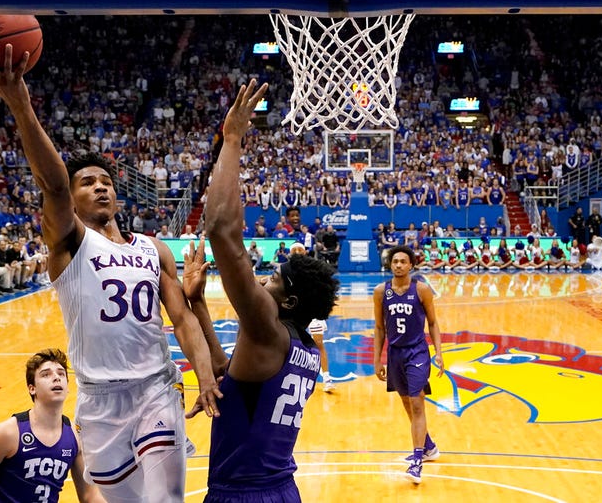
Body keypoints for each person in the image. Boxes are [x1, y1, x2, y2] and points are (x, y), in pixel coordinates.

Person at [0, 45, 220, 502]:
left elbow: (182, 321)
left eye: (105, 182)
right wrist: (20, 104)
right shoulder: (70, 245)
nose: (100, 186)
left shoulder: (154, 249)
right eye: (88, 182)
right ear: (73, 198)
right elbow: (52, 184)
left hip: (156, 387)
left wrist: (204, 377)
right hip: (99, 400)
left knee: (165, 498)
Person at [188, 79, 340, 501]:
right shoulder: (304, 348)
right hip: (282, 489)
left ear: (288, 301)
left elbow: (221, 229)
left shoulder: (267, 329)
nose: (261, 280)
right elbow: (229, 371)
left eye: (273, 279)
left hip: (242, 493)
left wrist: (232, 139)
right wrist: (198, 303)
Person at [0, 349, 105, 503]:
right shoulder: (7, 434)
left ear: (68, 386)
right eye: (46, 374)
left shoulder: (75, 437)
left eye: (61, 374)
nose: (56, 378)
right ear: (32, 388)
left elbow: (90, 496)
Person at [373, 245, 444, 484]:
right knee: (406, 401)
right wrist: (377, 359)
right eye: (395, 261)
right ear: (390, 264)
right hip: (395, 354)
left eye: (403, 261)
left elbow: (432, 323)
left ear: (411, 265)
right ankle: (428, 447)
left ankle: (416, 462)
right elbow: (379, 328)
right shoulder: (380, 292)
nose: (399, 265)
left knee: (416, 402)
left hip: (417, 352)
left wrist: (439, 353)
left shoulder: (421, 290)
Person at [291, 242, 335, 392]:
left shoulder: (314, 267)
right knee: (293, 345)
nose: (297, 252)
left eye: (300, 249)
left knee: (318, 343)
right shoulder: (285, 270)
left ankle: (327, 378)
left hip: (313, 310)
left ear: (305, 252)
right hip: (296, 312)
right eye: (294, 250)